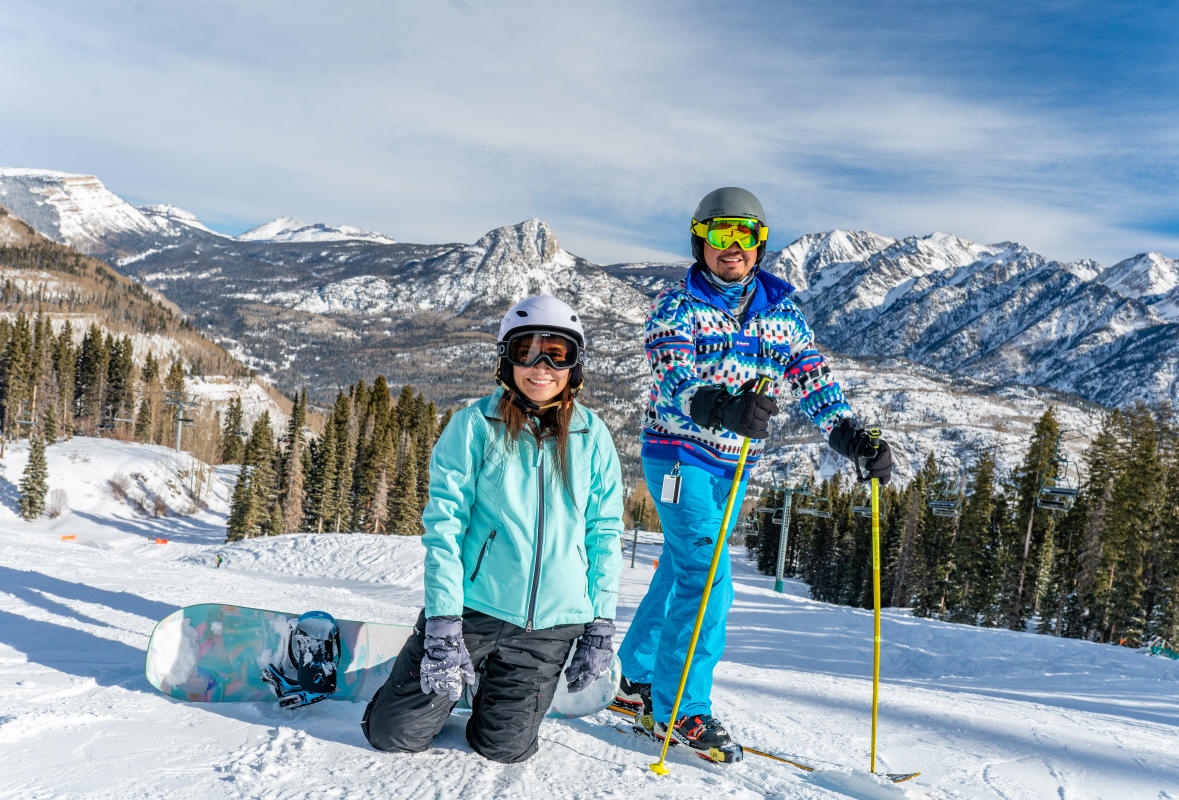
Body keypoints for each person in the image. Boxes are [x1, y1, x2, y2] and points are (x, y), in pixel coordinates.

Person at [615, 187, 894, 757]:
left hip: (733, 466)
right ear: (700, 241)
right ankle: (679, 710)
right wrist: (720, 407)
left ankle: (636, 679)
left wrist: (849, 436)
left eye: (744, 234)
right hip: (677, 454)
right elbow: (673, 379)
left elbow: (814, 381)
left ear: (760, 244)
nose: (733, 247)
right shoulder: (677, 307)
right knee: (708, 579)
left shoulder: (781, 314)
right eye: (721, 234)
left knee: (682, 567)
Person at [362, 295, 624, 763]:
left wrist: (600, 622)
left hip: (550, 627)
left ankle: (492, 687)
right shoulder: (474, 425)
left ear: (574, 365)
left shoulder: (592, 435)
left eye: (557, 353)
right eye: (527, 351)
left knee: (505, 750)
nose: (542, 367)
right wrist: (443, 621)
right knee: (393, 734)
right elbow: (445, 529)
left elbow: (604, 532)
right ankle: (426, 672)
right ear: (507, 359)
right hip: (472, 612)